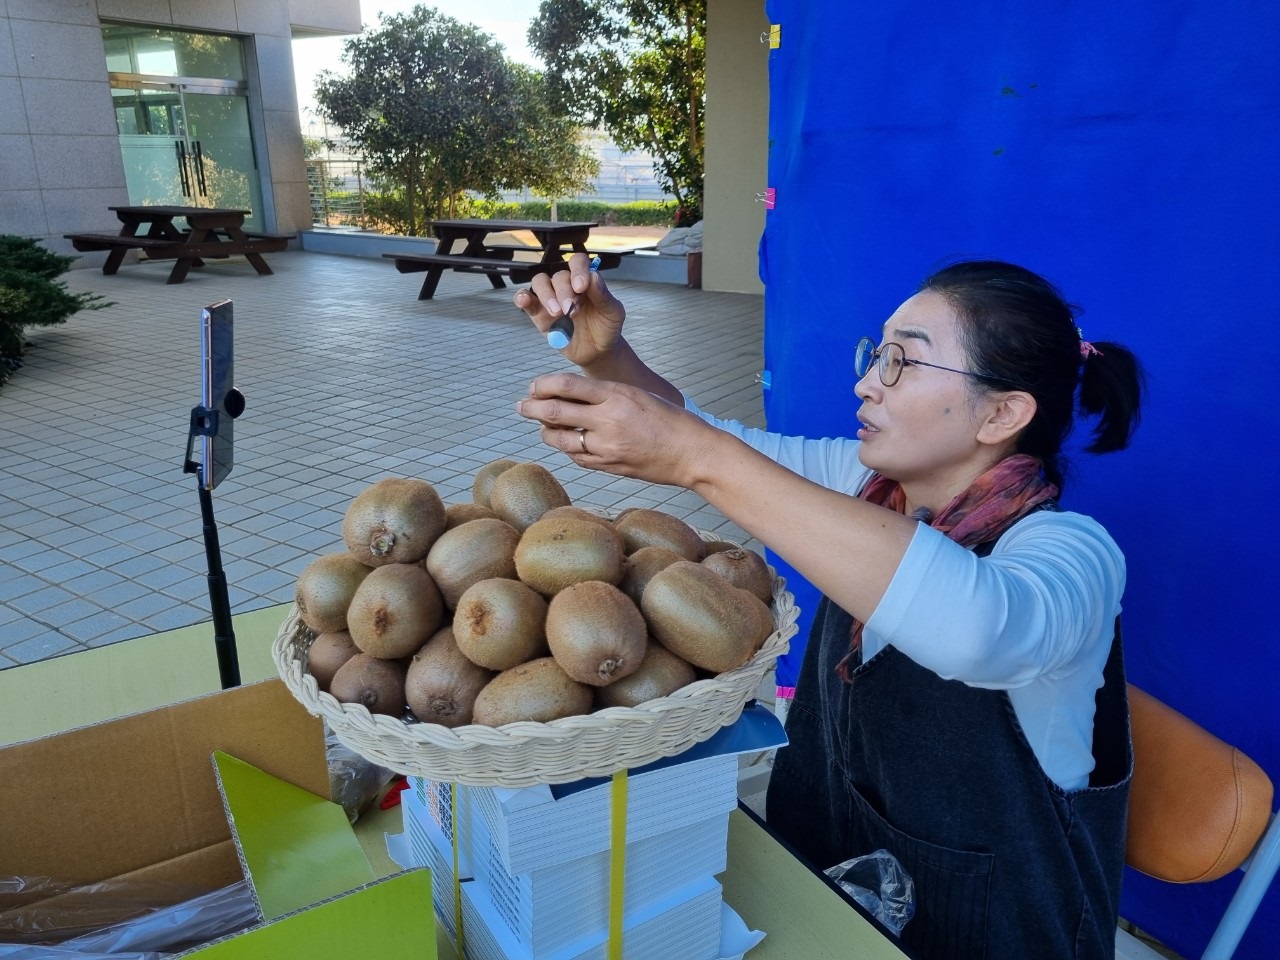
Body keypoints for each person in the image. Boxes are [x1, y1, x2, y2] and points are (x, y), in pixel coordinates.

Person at [514, 254, 1145, 960]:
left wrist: (692, 456)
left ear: (1001, 413)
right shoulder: (868, 484)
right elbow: (728, 448)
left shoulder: (1075, 556)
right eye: (876, 354)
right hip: (822, 886)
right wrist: (608, 356)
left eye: (901, 363)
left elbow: (978, 630)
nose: (865, 383)